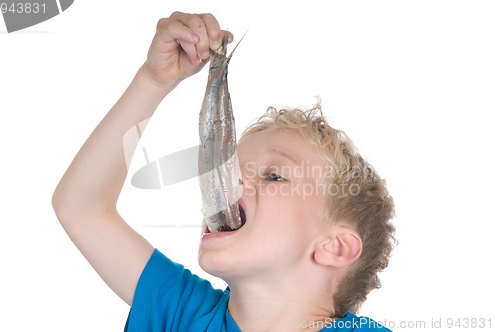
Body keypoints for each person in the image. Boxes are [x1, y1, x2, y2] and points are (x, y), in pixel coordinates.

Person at [52, 11, 396, 332]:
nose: (230, 178)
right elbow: (81, 208)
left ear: (335, 248)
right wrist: (153, 80)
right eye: (228, 165)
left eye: (274, 175)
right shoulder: (183, 311)